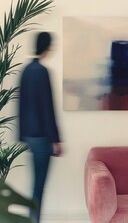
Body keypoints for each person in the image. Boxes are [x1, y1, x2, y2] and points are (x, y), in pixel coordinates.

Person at [19, 32, 62, 223]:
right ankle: (33, 220)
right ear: (46, 47)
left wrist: (22, 135)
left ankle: (32, 219)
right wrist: (56, 139)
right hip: (43, 137)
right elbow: (47, 108)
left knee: (35, 184)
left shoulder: (26, 71)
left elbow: (20, 105)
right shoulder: (42, 72)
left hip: (29, 135)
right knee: (38, 185)